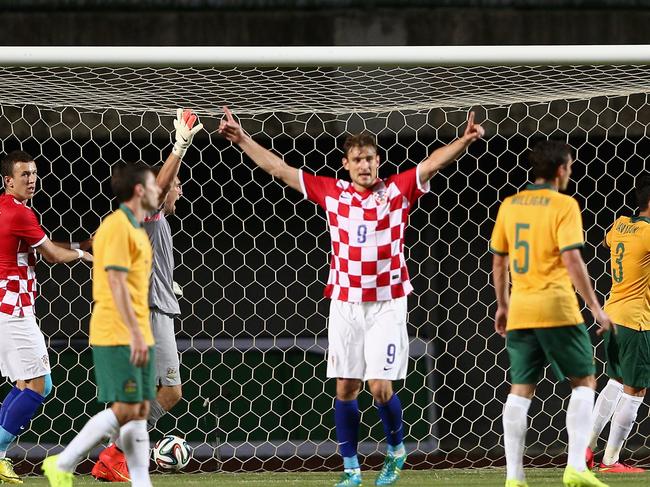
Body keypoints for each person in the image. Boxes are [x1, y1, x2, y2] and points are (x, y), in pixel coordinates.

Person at [219, 106, 484, 487]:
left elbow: (431, 164)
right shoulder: (333, 193)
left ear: (379, 161)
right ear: (346, 164)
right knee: (346, 387)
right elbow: (279, 169)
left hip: (388, 302)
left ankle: (396, 450)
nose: (365, 165)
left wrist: (463, 139)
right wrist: (243, 138)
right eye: (358, 160)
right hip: (345, 302)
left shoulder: (396, 191)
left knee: (379, 387)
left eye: (370, 159)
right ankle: (351, 469)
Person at [490, 140, 613, 487]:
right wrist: (595, 308)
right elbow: (573, 260)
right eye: (570, 167)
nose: (570, 173)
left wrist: (503, 304)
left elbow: (499, 262)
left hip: (522, 310)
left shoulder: (510, 205)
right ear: (561, 170)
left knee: (520, 388)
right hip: (558, 308)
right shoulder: (564, 204)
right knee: (584, 380)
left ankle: (514, 477)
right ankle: (575, 467)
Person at [91, 109, 202, 482]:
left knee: (148, 394)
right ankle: (114, 451)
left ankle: (113, 452)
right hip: (151, 313)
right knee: (170, 393)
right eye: (176, 184)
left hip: (156, 307)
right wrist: (180, 146)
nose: (180, 189)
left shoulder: (156, 223)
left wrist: (164, 282)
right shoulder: (150, 215)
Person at [41, 161, 161, 487]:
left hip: (136, 331)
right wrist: (136, 334)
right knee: (127, 406)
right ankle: (62, 463)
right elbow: (116, 283)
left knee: (137, 410)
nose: (157, 190)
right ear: (139, 190)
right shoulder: (117, 228)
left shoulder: (134, 228)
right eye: (153, 185)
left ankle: (140, 482)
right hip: (118, 332)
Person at [0, 150, 93, 485]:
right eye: (23, 174)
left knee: (27, 383)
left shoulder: (7, 209)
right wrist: (84, 254)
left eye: (34, 173)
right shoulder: (19, 212)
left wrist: (78, 242)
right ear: (8, 180)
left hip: (7, 308)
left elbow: (37, 246)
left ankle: (0, 456)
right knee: (39, 386)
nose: (31, 179)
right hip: (14, 310)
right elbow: (51, 255)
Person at [585, 173, 650, 474]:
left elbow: (606, 239)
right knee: (635, 390)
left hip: (612, 314)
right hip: (637, 320)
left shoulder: (620, 225)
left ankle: (586, 446)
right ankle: (610, 461)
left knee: (614, 381)